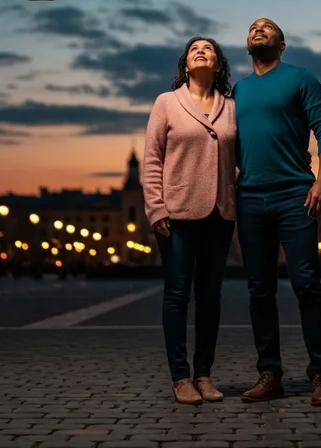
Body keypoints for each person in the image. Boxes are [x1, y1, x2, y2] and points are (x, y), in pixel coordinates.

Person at [232, 18, 321, 406]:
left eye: (268, 26)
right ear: (247, 45)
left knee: (307, 285)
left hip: (296, 195)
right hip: (250, 199)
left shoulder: (301, 78)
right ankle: (270, 373)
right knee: (259, 290)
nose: (258, 28)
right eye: (253, 27)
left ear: (282, 44)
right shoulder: (238, 90)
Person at [141, 37, 238, 405]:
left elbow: (244, 154)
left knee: (210, 297)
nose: (202, 51)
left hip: (220, 212)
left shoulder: (231, 107)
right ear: (185, 65)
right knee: (178, 295)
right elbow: (152, 158)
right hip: (177, 212)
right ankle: (180, 377)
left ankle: (204, 374)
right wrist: (156, 207)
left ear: (218, 66)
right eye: (195, 48)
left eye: (209, 49)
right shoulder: (166, 103)